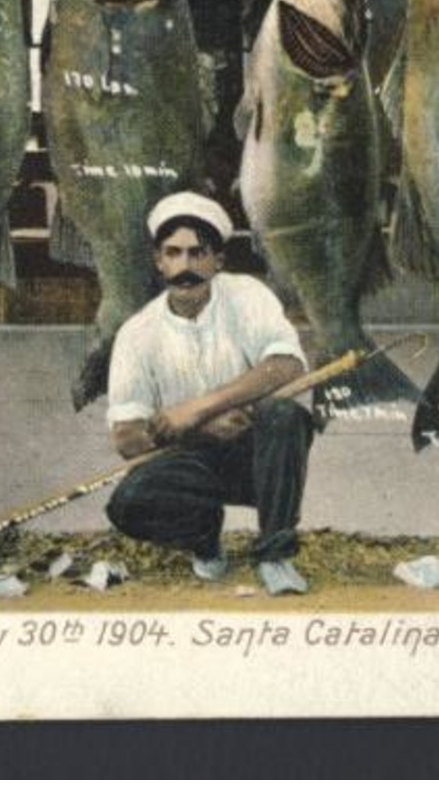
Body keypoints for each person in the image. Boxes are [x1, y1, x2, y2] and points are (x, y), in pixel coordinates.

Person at [103, 191, 318, 596]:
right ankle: (204, 541)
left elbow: (287, 365)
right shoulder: (136, 334)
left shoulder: (248, 296)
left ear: (218, 261)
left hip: (254, 456)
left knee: (284, 416)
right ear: (159, 261)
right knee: (128, 503)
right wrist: (201, 429)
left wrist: (198, 407)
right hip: (189, 461)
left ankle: (275, 556)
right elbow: (127, 438)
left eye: (197, 253)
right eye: (174, 253)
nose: (185, 266)